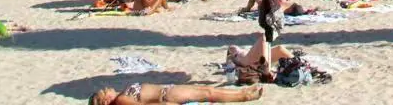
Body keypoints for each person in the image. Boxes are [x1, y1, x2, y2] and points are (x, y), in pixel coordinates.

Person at [88, 83, 263, 104]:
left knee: (207, 90)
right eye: (103, 92)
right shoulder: (121, 100)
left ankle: (242, 93)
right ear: (105, 101)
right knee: (207, 93)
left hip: (168, 91)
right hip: (167, 96)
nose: (105, 89)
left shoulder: (121, 95)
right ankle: (244, 96)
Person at [240, 0, 317, 16]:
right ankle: (252, 8)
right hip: (274, 4)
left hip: (267, 7)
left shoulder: (285, 7)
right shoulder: (292, 5)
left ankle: (247, 9)